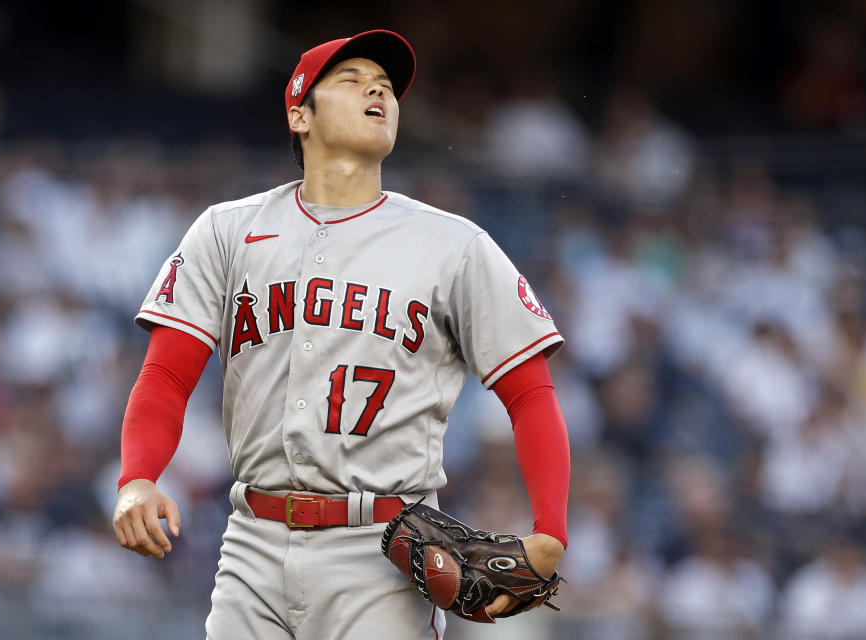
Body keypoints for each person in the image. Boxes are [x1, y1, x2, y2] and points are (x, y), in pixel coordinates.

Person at [112, 29, 571, 639]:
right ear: (299, 113)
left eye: (384, 85)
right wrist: (137, 476)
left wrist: (551, 530)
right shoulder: (226, 231)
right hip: (252, 541)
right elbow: (167, 374)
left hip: (379, 553)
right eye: (351, 80)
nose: (376, 88)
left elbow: (531, 393)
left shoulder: (453, 245)